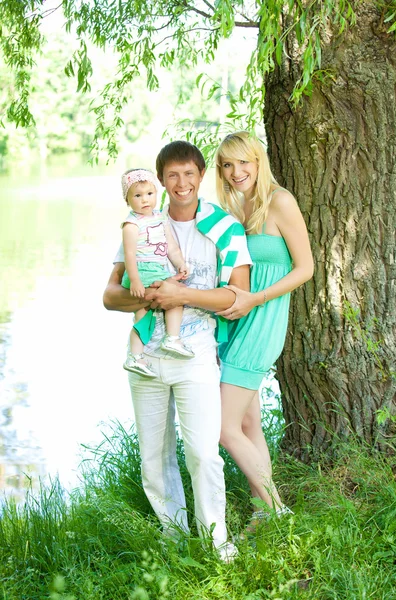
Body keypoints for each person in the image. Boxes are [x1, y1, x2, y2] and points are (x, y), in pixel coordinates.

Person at [103, 141, 252, 560]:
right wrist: (152, 298)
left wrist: (180, 294)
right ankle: (173, 537)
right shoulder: (142, 222)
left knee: (204, 453)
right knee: (154, 457)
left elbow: (237, 298)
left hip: (196, 354)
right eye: (172, 175)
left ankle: (216, 541)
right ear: (159, 181)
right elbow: (110, 297)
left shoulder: (224, 228)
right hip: (147, 357)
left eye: (189, 173)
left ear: (202, 176)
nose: (181, 183)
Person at [214, 131, 314, 530]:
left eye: (243, 162)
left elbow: (305, 268)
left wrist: (257, 299)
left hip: (263, 322)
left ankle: (275, 508)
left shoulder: (280, 201)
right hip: (238, 325)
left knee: (224, 429)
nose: (236, 172)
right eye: (227, 165)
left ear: (259, 161)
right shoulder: (237, 208)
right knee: (248, 424)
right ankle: (262, 514)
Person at [120, 167, 194, 378]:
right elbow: (129, 255)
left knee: (143, 316)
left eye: (149, 194)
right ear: (128, 199)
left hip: (156, 270)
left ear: (156, 193)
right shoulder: (131, 225)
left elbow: (170, 246)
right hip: (142, 272)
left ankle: (134, 356)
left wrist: (180, 263)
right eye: (138, 195)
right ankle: (172, 337)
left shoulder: (160, 218)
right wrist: (134, 280)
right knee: (176, 296)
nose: (145, 200)